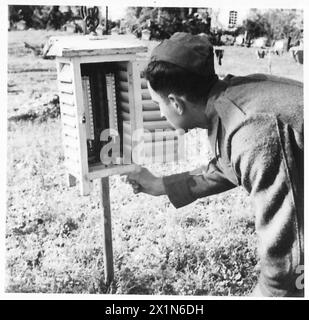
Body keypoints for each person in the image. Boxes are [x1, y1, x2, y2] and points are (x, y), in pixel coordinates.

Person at [126, 32, 304, 297]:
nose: (161, 113)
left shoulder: (253, 129)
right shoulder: (227, 101)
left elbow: (290, 253)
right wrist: (159, 184)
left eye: (158, 104)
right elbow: (227, 165)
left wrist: (269, 291)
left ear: (175, 102)